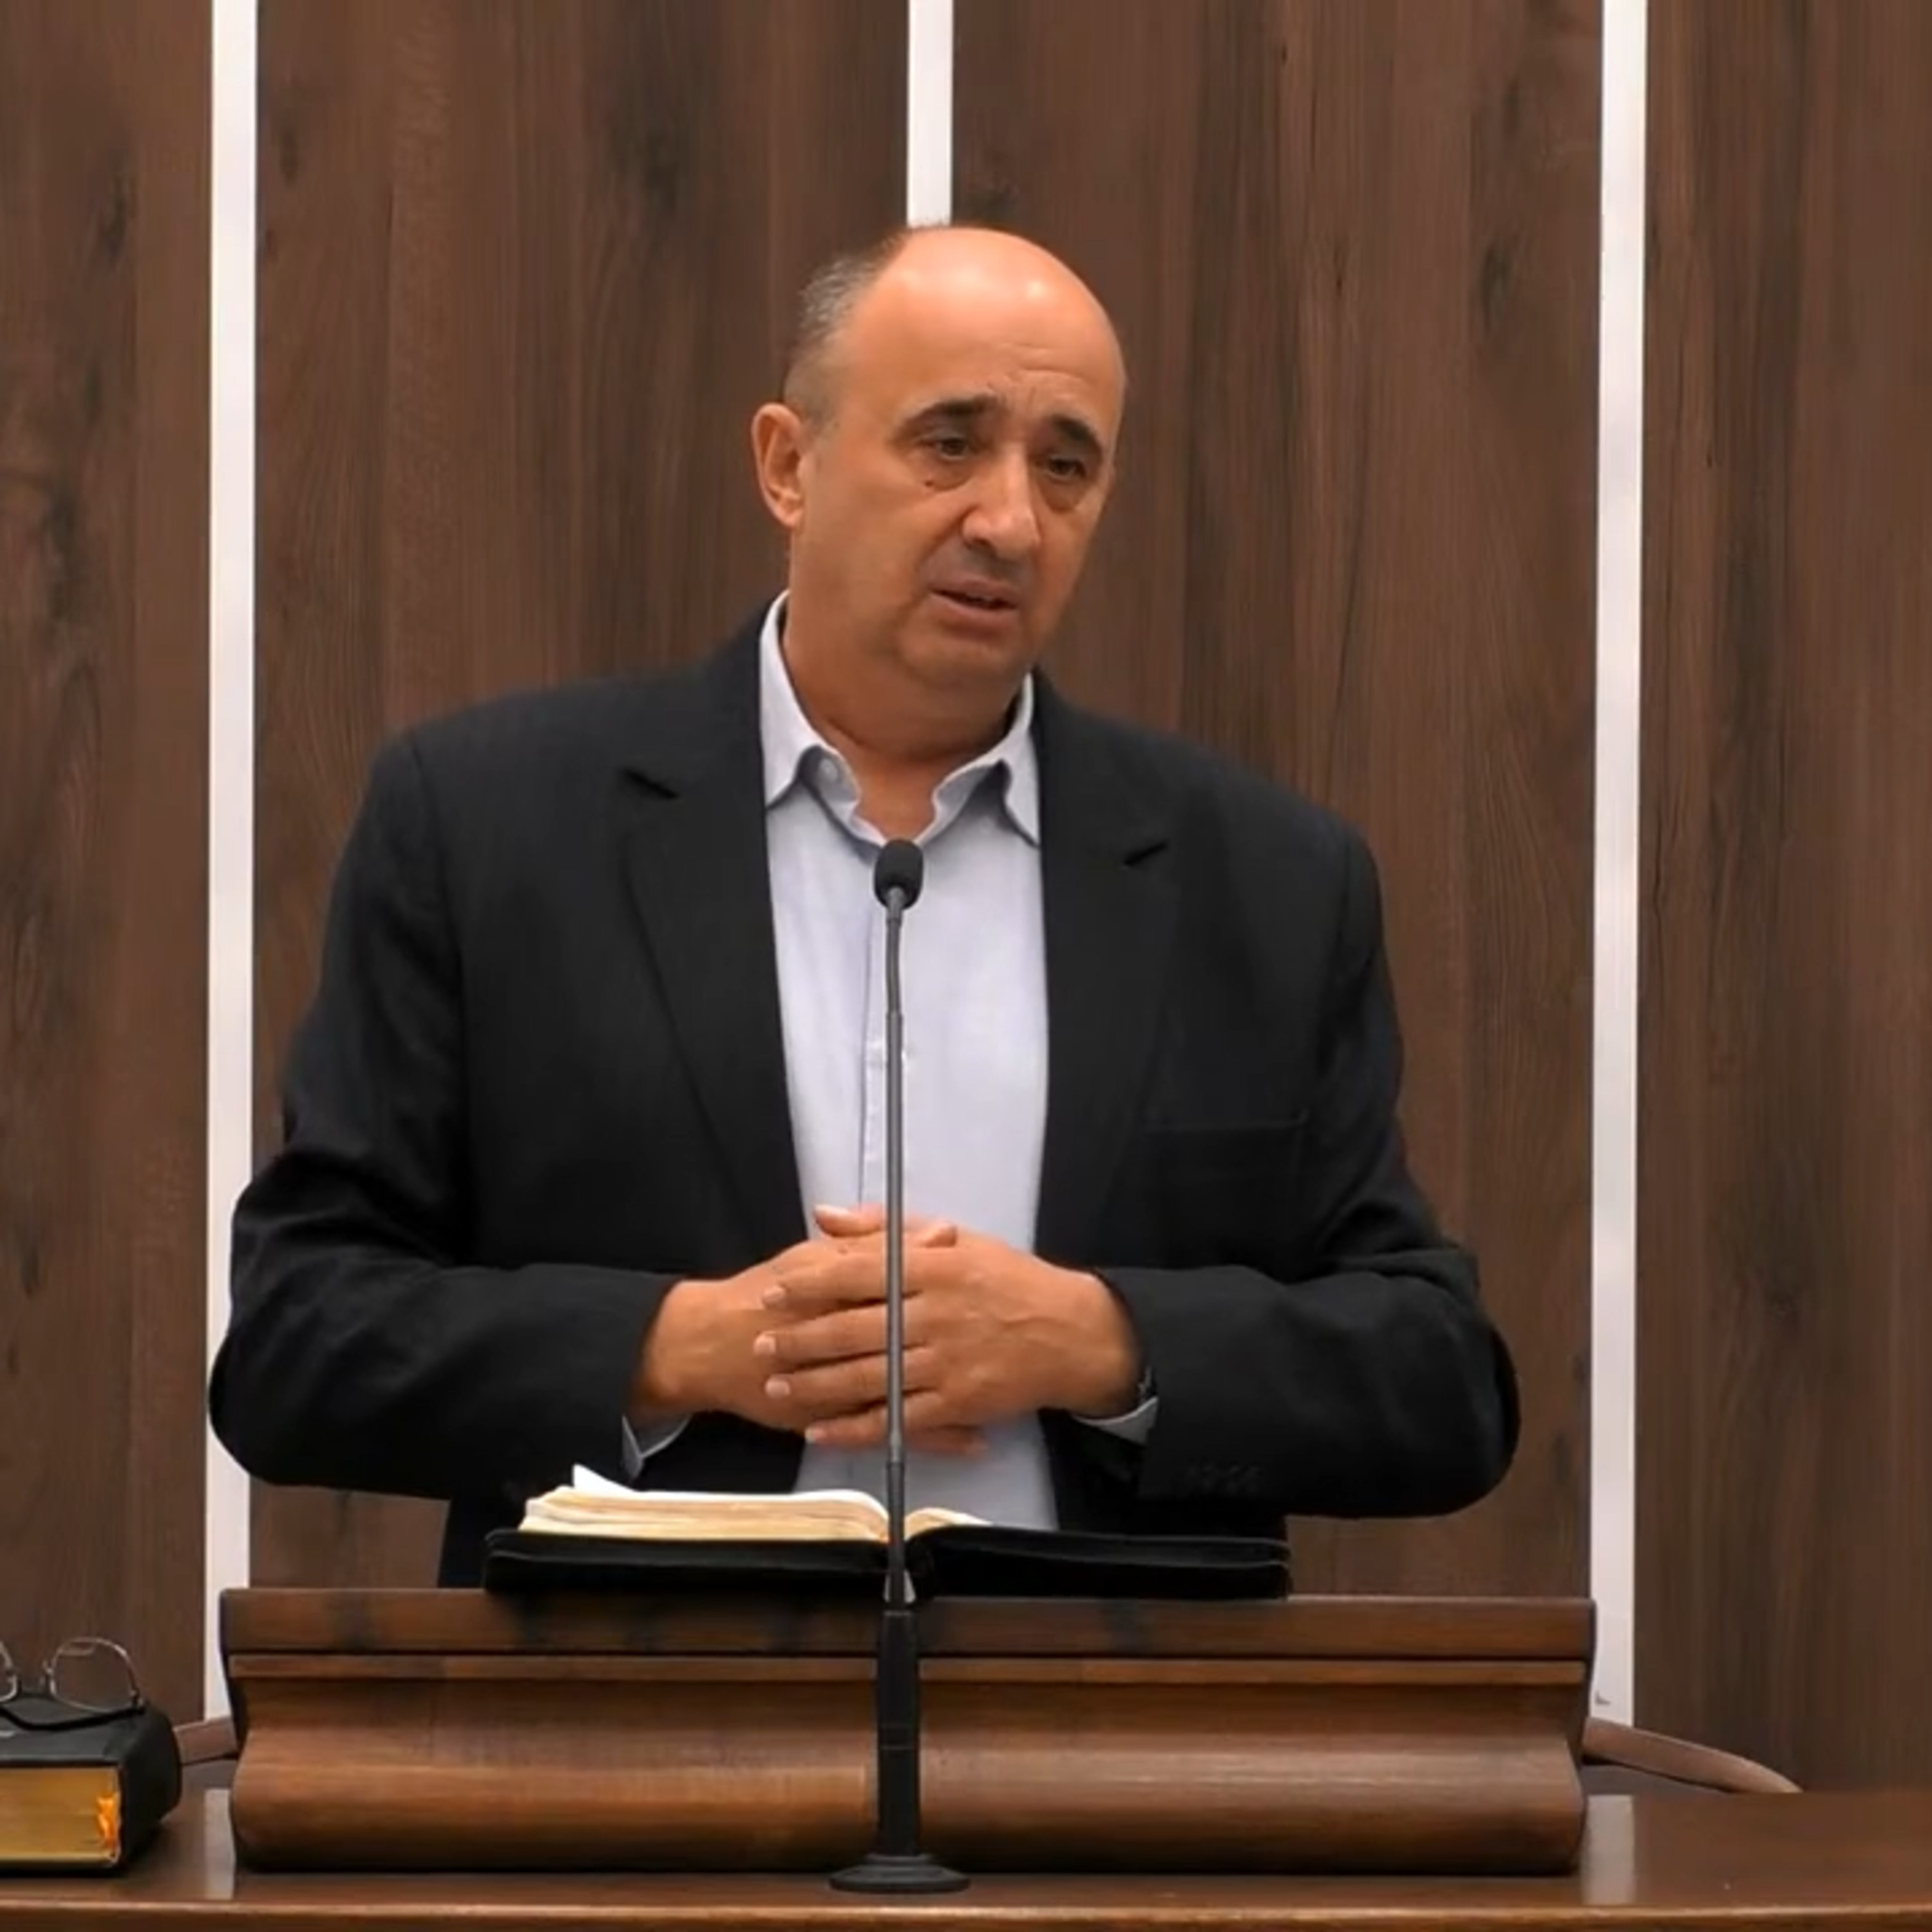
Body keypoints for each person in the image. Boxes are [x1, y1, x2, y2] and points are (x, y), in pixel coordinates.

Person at [209, 223, 1519, 1586]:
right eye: (950, 444)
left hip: (1107, 1703)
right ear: (789, 464)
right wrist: (674, 1349)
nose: (1009, 521)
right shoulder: (488, 831)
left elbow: (1439, 1382)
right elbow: (299, 1341)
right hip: (628, 1695)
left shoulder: (1264, 882)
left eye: (1065, 466)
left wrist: (1103, 1343)